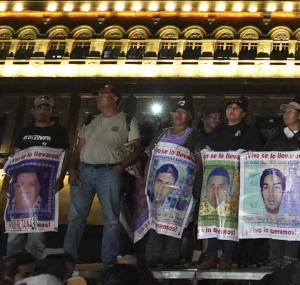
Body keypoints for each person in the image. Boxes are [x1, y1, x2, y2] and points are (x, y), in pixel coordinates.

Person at [64, 84, 141, 265]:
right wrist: (73, 169)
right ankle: (67, 258)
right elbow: (78, 148)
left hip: (109, 171)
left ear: (114, 98)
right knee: (75, 218)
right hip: (84, 170)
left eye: (103, 95)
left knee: (111, 219)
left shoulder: (127, 120)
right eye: (98, 95)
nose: (98, 98)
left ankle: (108, 261)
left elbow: (136, 148)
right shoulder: (90, 120)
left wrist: (120, 166)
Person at [198, 95, 262, 270]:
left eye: (236, 108)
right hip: (214, 181)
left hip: (236, 182)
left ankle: (228, 255)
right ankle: (211, 254)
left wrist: (244, 154)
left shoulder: (250, 131)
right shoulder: (217, 131)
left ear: (243, 113)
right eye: (229, 107)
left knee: (230, 217)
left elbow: (256, 154)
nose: (231, 110)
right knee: (212, 214)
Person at [5, 95, 69, 260]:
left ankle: (34, 265)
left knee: (38, 231)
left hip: (43, 187)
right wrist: (7, 179)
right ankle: (12, 265)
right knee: (15, 230)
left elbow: (65, 155)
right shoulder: (24, 131)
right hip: (20, 186)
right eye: (39, 108)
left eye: (46, 108)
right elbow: (15, 156)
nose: (43, 111)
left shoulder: (59, 131)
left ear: (51, 111)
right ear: (32, 111)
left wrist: (61, 178)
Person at [143, 96, 205, 267]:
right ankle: (152, 259)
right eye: (176, 112)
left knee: (174, 221)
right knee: (155, 220)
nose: (178, 115)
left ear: (190, 116)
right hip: (157, 186)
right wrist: (145, 179)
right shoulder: (161, 133)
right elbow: (151, 157)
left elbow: (199, 161)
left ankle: (170, 259)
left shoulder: (194, 135)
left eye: (183, 112)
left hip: (180, 189)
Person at [263, 97, 300, 270]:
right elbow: (264, 156)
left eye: (290, 111)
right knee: (275, 218)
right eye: (285, 111)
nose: (286, 114)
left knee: (293, 220)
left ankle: (290, 257)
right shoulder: (276, 136)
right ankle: (275, 258)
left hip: (297, 187)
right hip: (277, 185)